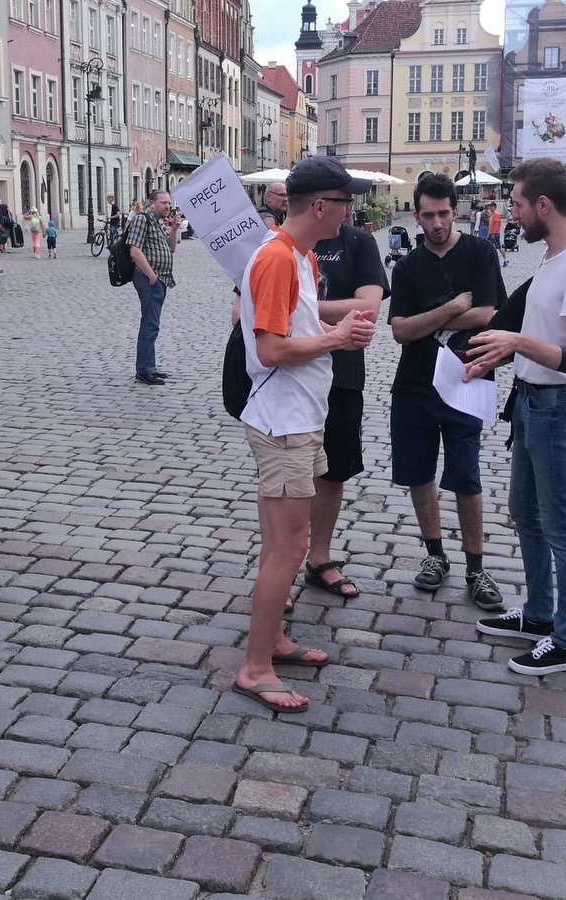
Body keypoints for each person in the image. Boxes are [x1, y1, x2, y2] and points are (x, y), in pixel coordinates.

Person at [233, 158, 375, 713]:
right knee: (288, 549)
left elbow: (292, 332)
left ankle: (273, 643)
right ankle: (256, 667)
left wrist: (333, 334)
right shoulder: (276, 258)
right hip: (283, 422)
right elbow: (268, 350)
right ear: (321, 206)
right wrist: (336, 339)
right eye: (345, 203)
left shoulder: (297, 254)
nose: (351, 213)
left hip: (298, 418)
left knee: (280, 545)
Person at [467, 158, 566, 676]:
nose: (513, 213)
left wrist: (518, 341)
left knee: (561, 526)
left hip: (558, 409)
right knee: (525, 513)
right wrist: (499, 356)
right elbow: (544, 337)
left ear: (544, 206)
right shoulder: (553, 257)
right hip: (530, 401)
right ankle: (539, 614)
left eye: (519, 204)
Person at [388, 174, 506, 611]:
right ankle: (435, 556)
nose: (436, 223)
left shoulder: (480, 253)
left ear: (455, 211)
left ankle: (476, 567)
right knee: (419, 475)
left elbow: (490, 312)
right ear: (416, 215)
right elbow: (401, 330)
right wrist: (455, 308)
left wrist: (428, 320)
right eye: (428, 215)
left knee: (467, 478)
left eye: (444, 213)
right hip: (414, 384)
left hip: (468, 379)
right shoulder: (407, 266)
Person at [304, 208, 389, 601]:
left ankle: (318, 557)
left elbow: (368, 307)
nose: (348, 208)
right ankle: (278, 569)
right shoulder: (278, 246)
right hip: (290, 378)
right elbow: (243, 311)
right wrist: (338, 311)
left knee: (333, 471)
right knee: (282, 478)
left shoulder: (358, 241)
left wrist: (296, 306)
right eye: (341, 199)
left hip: (343, 374)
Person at [127, 189, 181, 385]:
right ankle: (144, 370)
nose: (167, 206)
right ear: (152, 203)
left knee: (152, 324)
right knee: (150, 324)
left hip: (161, 280)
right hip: (149, 280)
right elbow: (134, 250)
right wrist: (151, 276)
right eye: (163, 203)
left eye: (169, 203)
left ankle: (149, 365)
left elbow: (171, 249)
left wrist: (174, 229)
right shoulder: (143, 220)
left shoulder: (157, 222)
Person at [488, 202, 508, 267]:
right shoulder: (492, 214)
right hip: (491, 233)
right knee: (490, 247)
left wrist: (493, 233)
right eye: (490, 207)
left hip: (495, 233)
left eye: (491, 207)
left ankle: (505, 259)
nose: (490, 208)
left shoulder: (496, 214)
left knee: (498, 247)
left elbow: (496, 224)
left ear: (494, 207)